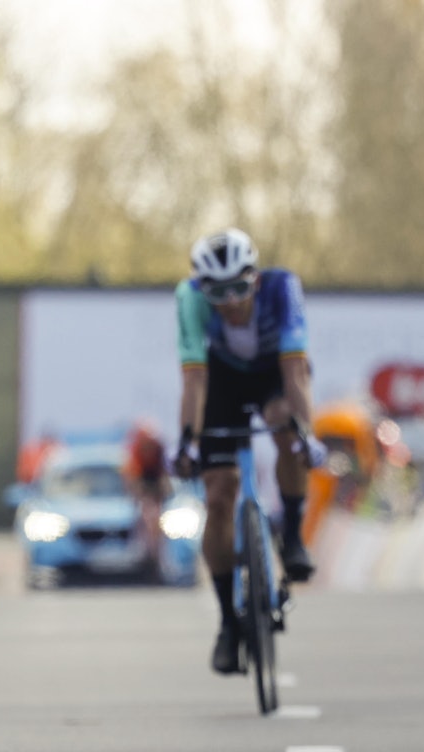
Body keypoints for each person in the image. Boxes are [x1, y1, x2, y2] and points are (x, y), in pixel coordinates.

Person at [171, 227, 327, 675]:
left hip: (273, 375)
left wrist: (307, 436)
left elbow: (295, 373)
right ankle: (227, 622)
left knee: (287, 428)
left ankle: (292, 535)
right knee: (219, 494)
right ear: (203, 289)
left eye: (239, 289)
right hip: (221, 379)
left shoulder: (282, 288)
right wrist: (187, 443)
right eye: (217, 293)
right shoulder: (189, 299)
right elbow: (194, 380)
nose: (230, 303)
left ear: (255, 279)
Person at [122, 420, 170, 565]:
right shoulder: (135, 452)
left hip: (154, 481)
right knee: (145, 513)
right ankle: (144, 545)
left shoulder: (159, 450)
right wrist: (137, 494)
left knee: (156, 515)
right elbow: (131, 477)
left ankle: (157, 547)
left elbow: (164, 474)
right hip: (143, 481)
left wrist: (164, 490)